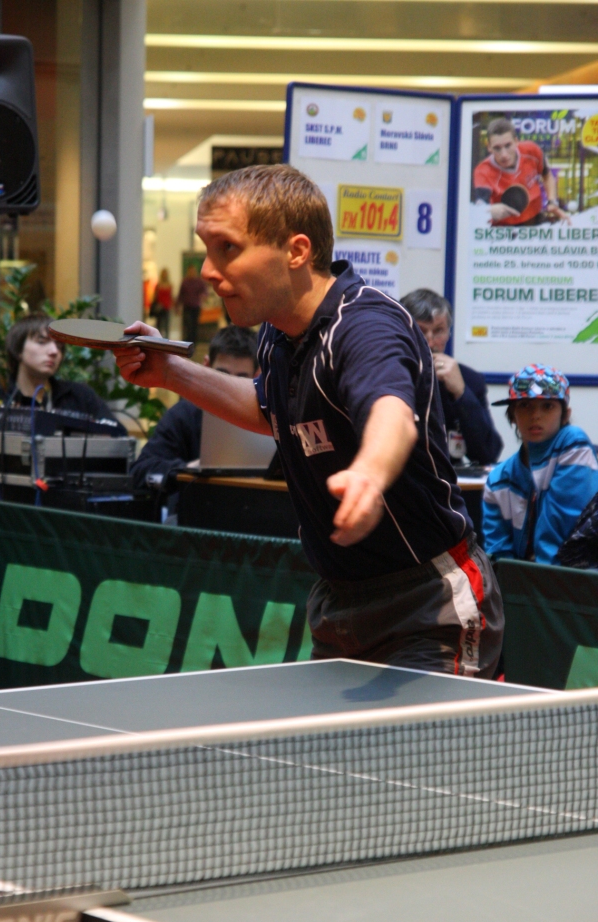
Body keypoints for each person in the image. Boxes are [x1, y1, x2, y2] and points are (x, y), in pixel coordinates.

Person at [114, 164, 504, 678]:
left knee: (419, 736)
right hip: (339, 604)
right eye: (207, 248)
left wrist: (370, 473)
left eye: (227, 248)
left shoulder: (365, 326)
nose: (207, 270)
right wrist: (171, 372)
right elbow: (270, 410)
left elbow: (390, 412)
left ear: (296, 251)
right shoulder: (277, 334)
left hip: (428, 606)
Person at [483, 364, 598, 564]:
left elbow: (560, 531)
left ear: (565, 415)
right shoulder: (498, 480)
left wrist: (540, 579)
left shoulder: (573, 443)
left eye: (547, 406)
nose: (535, 415)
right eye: (525, 405)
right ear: (512, 414)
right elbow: (498, 557)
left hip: (576, 575)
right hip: (522, 580)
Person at [130, 325, 258, 488]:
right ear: (206, 366)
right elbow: (139, 473)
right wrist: (188, 469)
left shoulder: (268, 417)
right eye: (222, 375)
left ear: (257, 376)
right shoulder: (183, 415)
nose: (229, 388)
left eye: (240, 380)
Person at [400, 289, 502, 466]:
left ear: (448, 333)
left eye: (439, 331)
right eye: (420, 331)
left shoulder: (469, 380)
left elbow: (488, 453)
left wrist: (462, 394)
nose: (430, 342)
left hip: (449, 476)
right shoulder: (389, 373)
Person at [4, 314, 126, 434]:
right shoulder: (2, 398)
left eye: (59, 346)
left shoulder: (80, 395)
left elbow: (120, 436)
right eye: (41, 342)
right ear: (18, 349)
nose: (54, 351)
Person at [473, 117, 569, 226]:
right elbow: (480, 208)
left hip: (535, 219)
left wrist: (552, 202)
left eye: (508, 145)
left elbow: (547, 176)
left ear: (516, 141)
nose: (504, 154)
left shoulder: (532, 150)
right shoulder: (482, 171)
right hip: (503, 227)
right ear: (489, 147)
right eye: (497, 148)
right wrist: (489, 211)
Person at [176, 264, 207, 345]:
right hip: (187, 307)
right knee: (188, 325)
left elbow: (205, 292)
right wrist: (177, 307)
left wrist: (203, 296)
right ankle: (187, 342)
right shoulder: (185, 282)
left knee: (194, 326)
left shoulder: (199, 282)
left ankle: (194, 343)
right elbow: (180, 295)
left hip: (196, 307)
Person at [151, 268, 173, 338]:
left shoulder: (169, 285)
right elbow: (155, 297)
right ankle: (159, 339)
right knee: (159, 325)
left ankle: (166, 340)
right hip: (160, 308)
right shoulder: (158, 285)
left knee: (166, 326)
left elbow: (171, 296)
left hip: (167, 307)